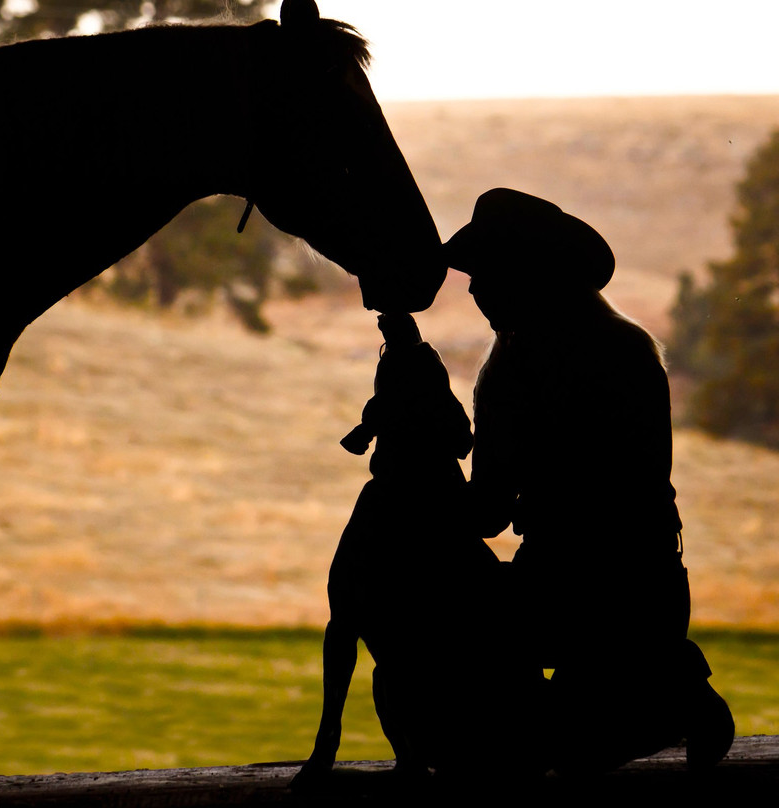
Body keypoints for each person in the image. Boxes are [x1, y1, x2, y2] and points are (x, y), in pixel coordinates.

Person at [445, 187, 734, 774]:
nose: (473, 287)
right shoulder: (629, 349)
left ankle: (664, 693)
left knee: (519, 733)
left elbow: (488, 513)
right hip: (649, 586)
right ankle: (670, 680)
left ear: (526, 276)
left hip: (567, 589)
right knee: (557, 741)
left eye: (486, 272)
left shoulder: (511, 373)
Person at [293, 313, 538, 787]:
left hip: (415, 500)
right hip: (431, 498)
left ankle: (333, 747)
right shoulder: (430, 403)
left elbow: (343, 631)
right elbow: (461, 438)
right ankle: (345, 747)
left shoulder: (399, 412)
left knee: (359, 627)